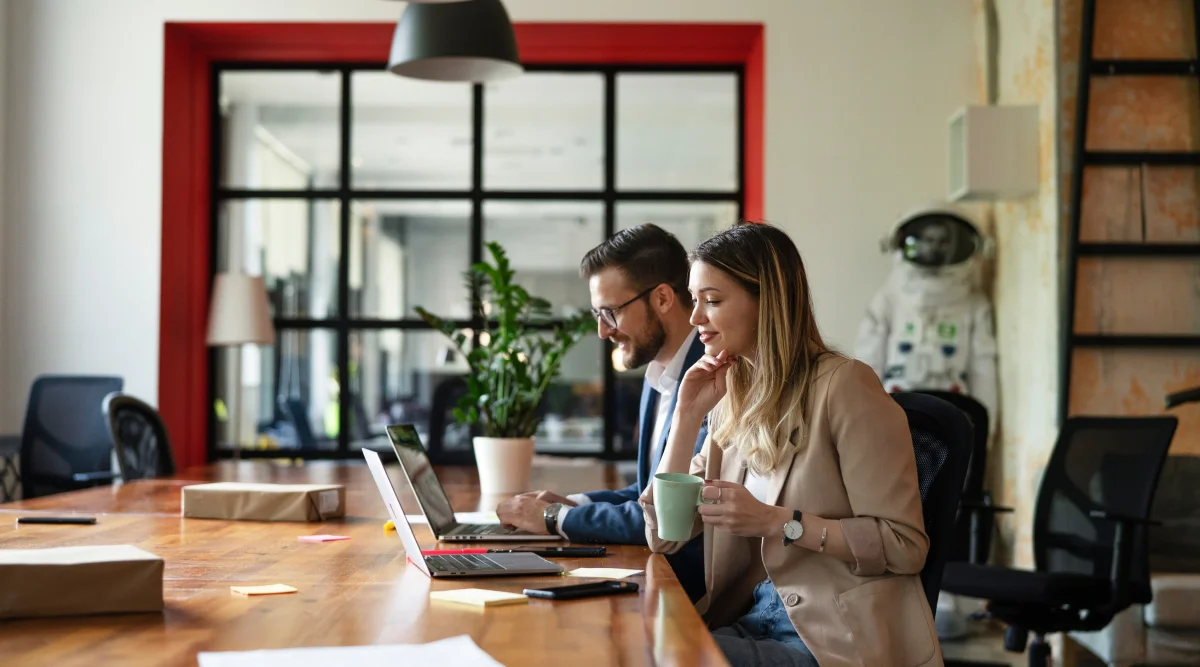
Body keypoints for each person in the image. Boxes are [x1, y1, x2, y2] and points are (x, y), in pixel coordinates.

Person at [641, 222, 942, 667]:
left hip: (832, 638)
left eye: (713, 300)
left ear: (769, 301)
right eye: (695, 299)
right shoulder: (732, 399)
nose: (695, 318)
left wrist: (779, 522)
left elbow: (904, 545)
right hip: (750, 618)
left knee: (660, 656)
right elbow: (663, 535)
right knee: (638, 642)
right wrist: (686, 418)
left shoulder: (845, 386)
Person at [495, 223, 708, 600]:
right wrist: (574, 503)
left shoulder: (711, 382)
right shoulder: (658, 375)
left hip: (690, 592)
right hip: (657, 577)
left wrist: (551, 519)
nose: (602, 331)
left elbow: (671, 512)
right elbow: (648, 493)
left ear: (662, 299)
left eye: (610, 312)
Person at [854, 204, 998, 430]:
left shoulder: (974, 304)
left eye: (943, 241)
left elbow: (984, 372)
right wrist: (864, 425)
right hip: (895, 410)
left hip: (953, 415)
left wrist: (983, 435)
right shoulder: (888, 299)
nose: (935, 248)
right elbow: (867, 367)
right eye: (928, 240)